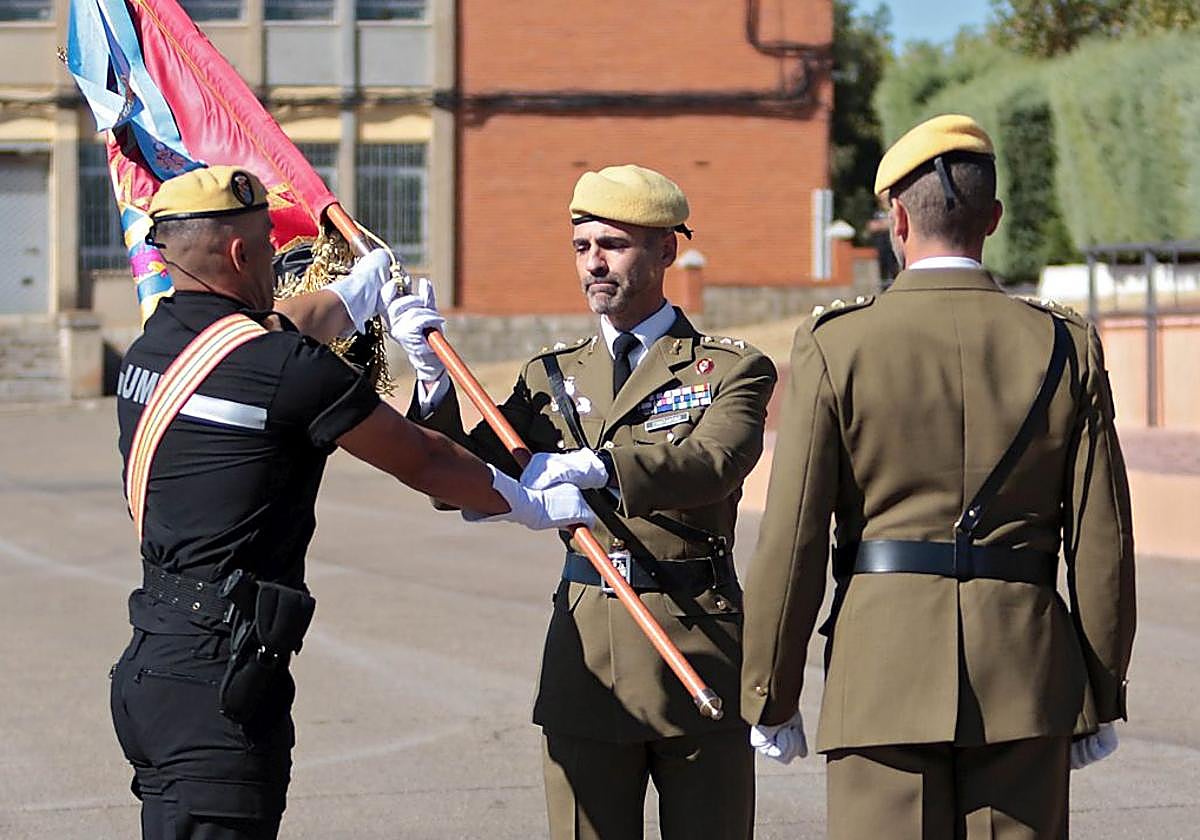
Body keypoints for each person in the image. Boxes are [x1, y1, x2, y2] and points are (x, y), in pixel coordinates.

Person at [109, 165, 592, 840]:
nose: (279, 260)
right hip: (221, 683)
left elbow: (274, 329)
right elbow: (421, 459)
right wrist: (528, 499)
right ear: (242, 253)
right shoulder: (279, 368)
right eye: (268, 247)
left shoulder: (157, 344)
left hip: (155, 665)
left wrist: (357, 293)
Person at [740, 114, 1136, 839]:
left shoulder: (838, 344)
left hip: (880, 675)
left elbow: (792, 538)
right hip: (1024, 676)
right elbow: (1103, 542)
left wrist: (770, 689)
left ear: (897, 218)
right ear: (994, 219)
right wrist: (1100, 689)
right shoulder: (1064, 343)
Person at [391, 164, 777, 839]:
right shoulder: (551, 376)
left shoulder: (730, 367)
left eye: (614, 245)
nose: (594, 263)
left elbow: (712, 464)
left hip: (695, 634)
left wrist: (600, 466)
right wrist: (432, 389)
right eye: (582, 247)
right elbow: (458, 479)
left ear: (665, 250)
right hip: (587, 652)